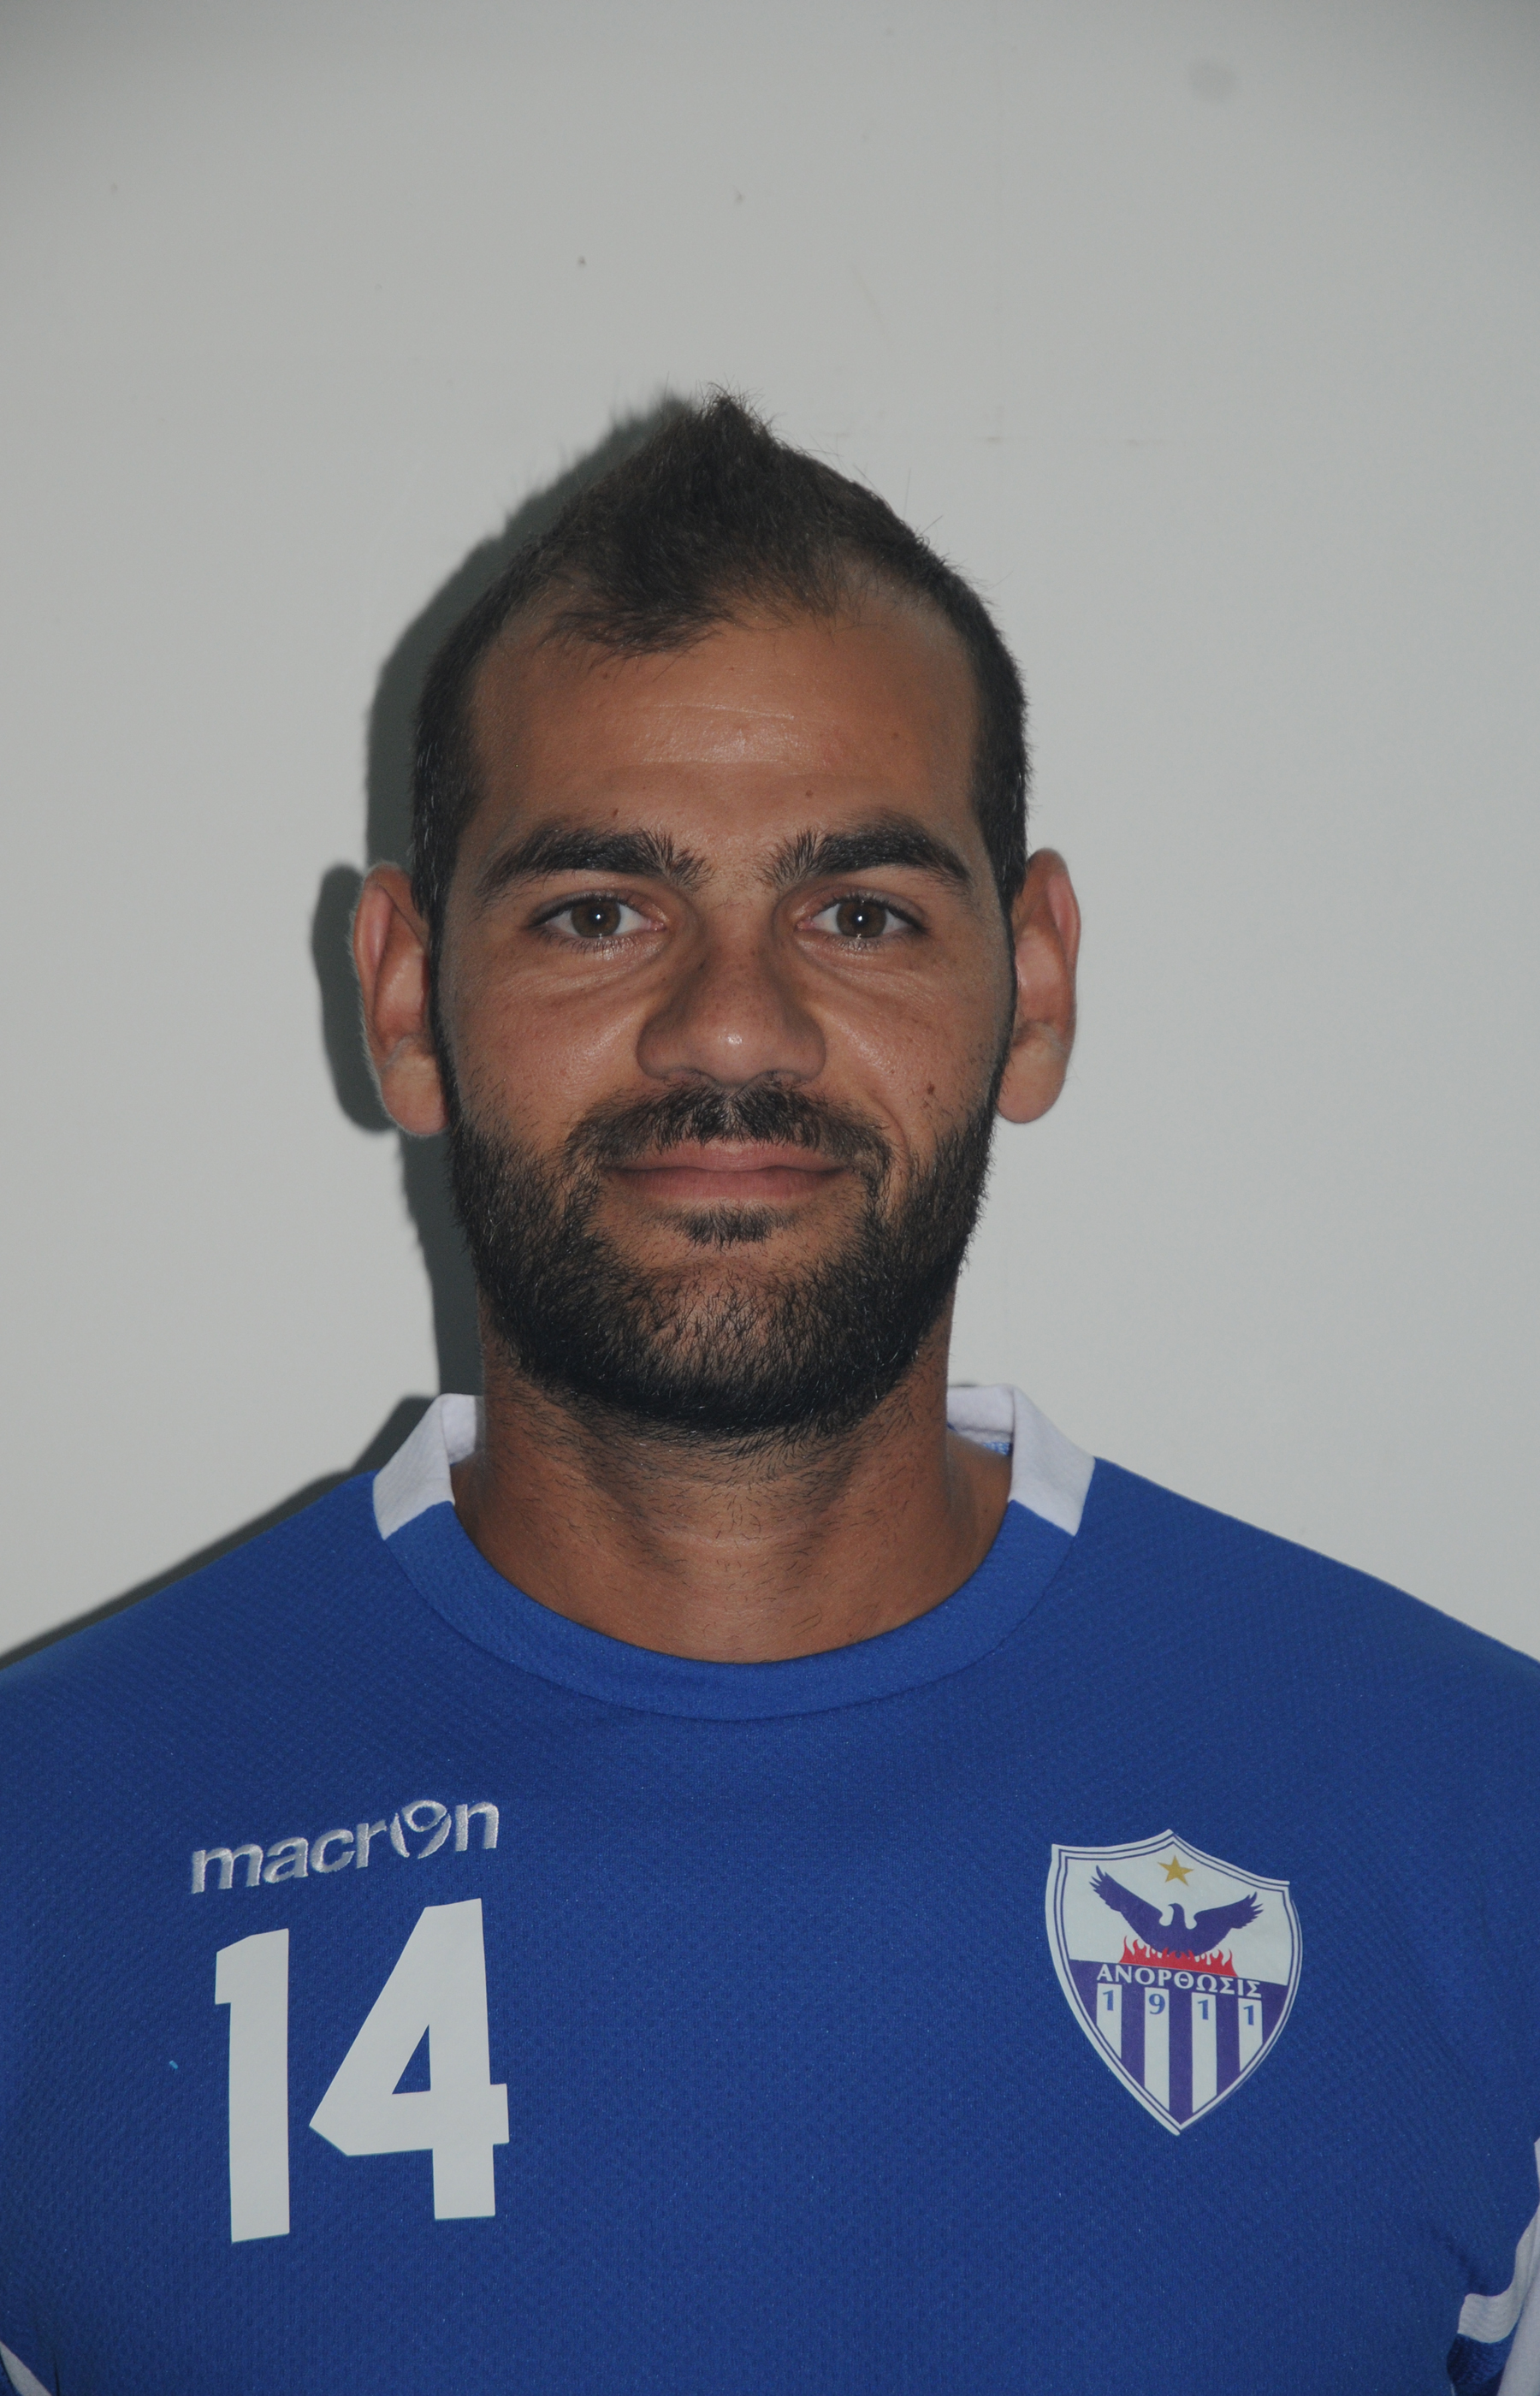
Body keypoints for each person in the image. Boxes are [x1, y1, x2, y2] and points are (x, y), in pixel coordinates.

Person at [0, 395, 1535, 2396]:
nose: (732, 1025)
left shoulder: (1478, 1818)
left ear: (1034, 984)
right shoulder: (44, 1846)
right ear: (403, 996)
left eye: (859, 911)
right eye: (598, 910)